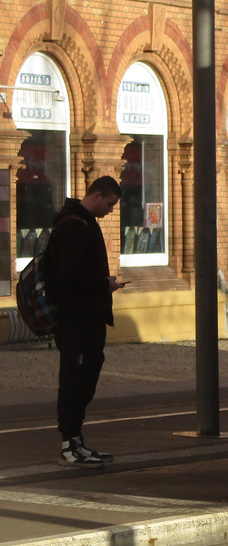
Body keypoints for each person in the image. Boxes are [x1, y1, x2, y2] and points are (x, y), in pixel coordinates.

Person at [49, 176, 124, 466]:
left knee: (86, 377)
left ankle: (77, 440)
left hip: (88, 318)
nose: (111, 210)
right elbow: (68, 276)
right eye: (110, 203)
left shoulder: (83, 223)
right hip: (76, 319)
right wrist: (103, 283)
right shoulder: (74, 226)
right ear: (96, 195)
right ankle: (69, 443)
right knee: (75, 380)